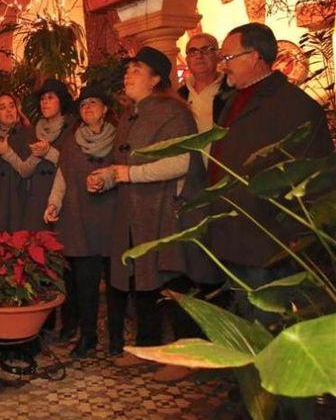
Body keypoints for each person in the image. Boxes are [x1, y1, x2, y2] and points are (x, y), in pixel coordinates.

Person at [87, 47, 204, 366]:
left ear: (156, 79)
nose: (128, 75)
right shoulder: (129, 115)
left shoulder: (173, 113)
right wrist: (105, 178)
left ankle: (186, 357)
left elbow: (182, 162)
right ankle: (147, 348)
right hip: (132, 213)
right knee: (141, 282)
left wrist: (129, 174)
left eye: (136, 70)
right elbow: (120, 165)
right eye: (127, 70)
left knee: (172, 283)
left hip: (164, 212)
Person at [209, 23, 333, 321]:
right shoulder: (233, 100)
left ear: (253, 57)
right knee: (244, 324)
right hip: (233, 233)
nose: (222, 67)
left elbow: (316, 178)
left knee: (272, 327)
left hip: (269, 241)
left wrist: (296, 235)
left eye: (228, 58)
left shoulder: (295, 107)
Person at [44, 84, 117, 358]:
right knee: (84, 285)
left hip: (109, 220)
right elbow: (61, 177)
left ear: (105, 110)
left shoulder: (117, 139)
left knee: (114, 286)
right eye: (83, 105)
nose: (87, 109)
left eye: (93, 104)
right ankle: (88, 336)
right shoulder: (72, 142)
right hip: (77, 221)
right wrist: (53, 204)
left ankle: (116, 338)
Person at [23, 78, 75, 232]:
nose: (45, 102)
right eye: (43, 99)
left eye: (50, 98)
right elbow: (25, 169)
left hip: (61, 195)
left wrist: (49, 153)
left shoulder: (72, 127)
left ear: (61, 101)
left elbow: (73, 164)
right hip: (36, 195)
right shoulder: (34, 129)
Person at [0, 91, 35, 232]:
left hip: (20, 198)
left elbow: (27, 170)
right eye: (3, 108)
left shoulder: (27, 133)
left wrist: (5, 152)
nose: (9, 110)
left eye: (11, 106)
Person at [177, 33, 232, 162]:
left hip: (225, 165)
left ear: (219, 55)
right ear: (187, 59)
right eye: (193, 51)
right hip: (190, 168)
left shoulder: (232, 89)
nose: (199, 56)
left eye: (206, 50)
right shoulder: (179, 96)